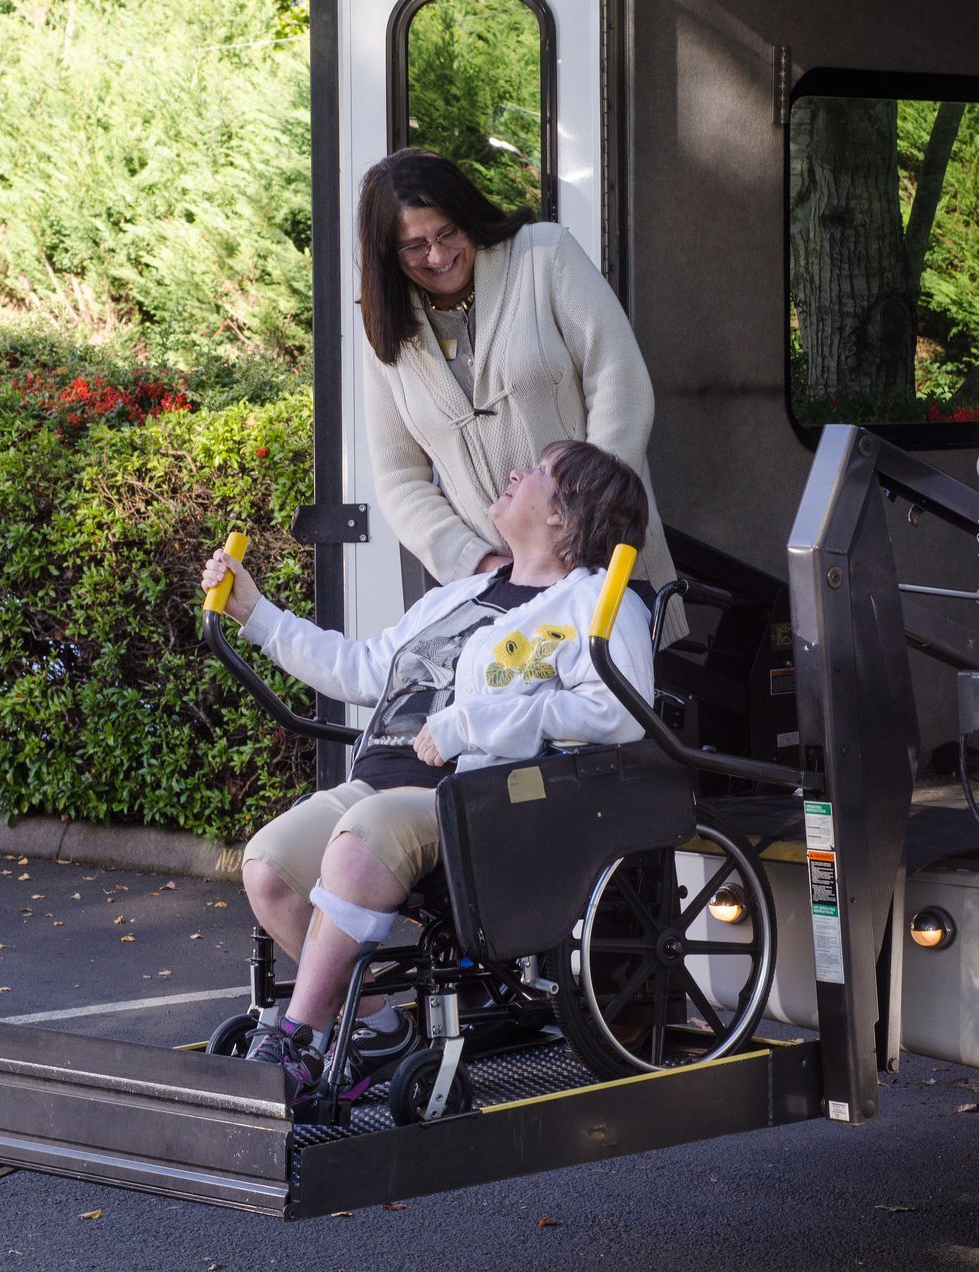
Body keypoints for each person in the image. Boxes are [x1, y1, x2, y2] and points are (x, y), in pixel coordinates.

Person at [199, 440, 656, 1105]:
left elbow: (619, 712)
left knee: (360, 843)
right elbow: (360, 669)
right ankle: (380, 1029)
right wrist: (256, 614)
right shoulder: (461, 595)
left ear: (565, 516)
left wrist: (472, 724)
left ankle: (297, 1037)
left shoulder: (596, 603)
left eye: (536, 472)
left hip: (477, 801)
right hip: (377, 788)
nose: (514, 471)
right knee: (269, 867)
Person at [356, 148, 684, 646]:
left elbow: (620, 379)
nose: (439, 256)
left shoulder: (543, 254)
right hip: (499, 605)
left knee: (620, 712)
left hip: (606, 569)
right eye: (415, 246)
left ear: (468, 214)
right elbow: (400, 479)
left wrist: (586, 525)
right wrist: (479, 563)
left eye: (447, 233)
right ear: (388, 254)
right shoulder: (383, 330)